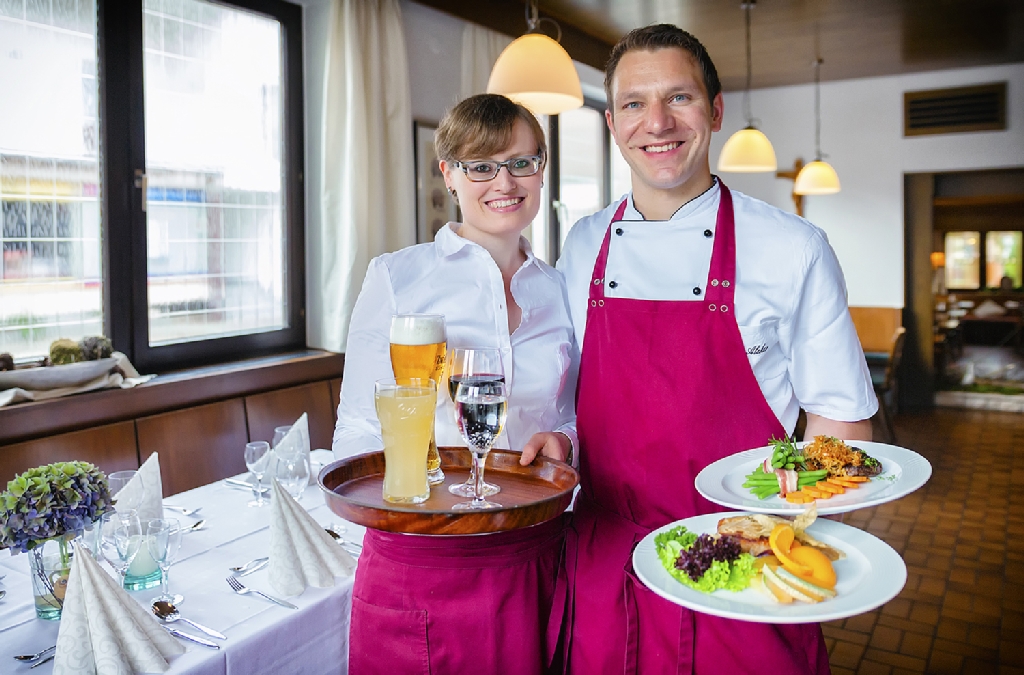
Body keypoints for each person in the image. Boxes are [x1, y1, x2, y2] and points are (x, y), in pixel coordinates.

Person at [547, 24, 878, 674]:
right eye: (635, 104)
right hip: (604, 572)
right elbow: (566, 398)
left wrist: (782, 537)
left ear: (716, 110)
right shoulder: (582, 244)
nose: (658, 122)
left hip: (740, 573)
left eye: (680, 97)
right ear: (612, 122)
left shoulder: (793, 248)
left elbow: (840, 425)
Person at [334, 93, 577, 675]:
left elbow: (571, 414)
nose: (505, 181)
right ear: (449, 173)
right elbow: (358, 426)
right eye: (482, 165)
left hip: (534, 546)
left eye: (523, 162)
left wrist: (566, 441)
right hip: (421, 553)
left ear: (541, 170)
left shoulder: (562, 289)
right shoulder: (397, 275)